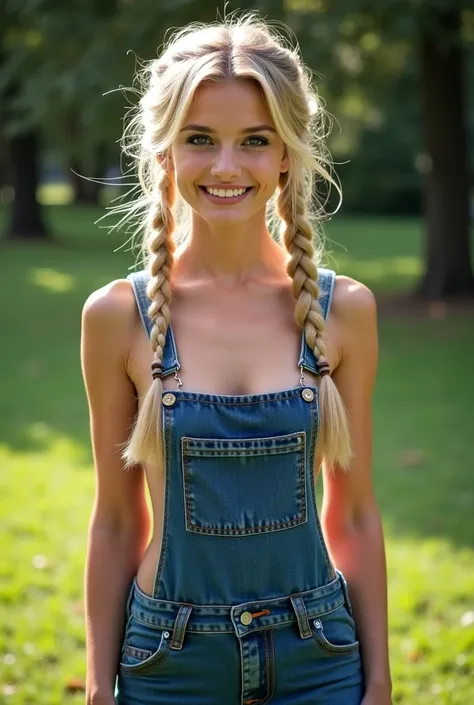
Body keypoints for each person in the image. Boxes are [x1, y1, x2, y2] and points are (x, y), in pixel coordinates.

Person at [80, 12, 392, 705]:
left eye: (254, 140)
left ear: (286, 151)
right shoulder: (117, 317)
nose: (226, 166)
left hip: (320, 658)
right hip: (170, 659)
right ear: (165, 152)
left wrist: (377, 678)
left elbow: (355, 514)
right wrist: (100, 685)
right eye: (200, 140)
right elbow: (116, 519)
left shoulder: (344, 311)